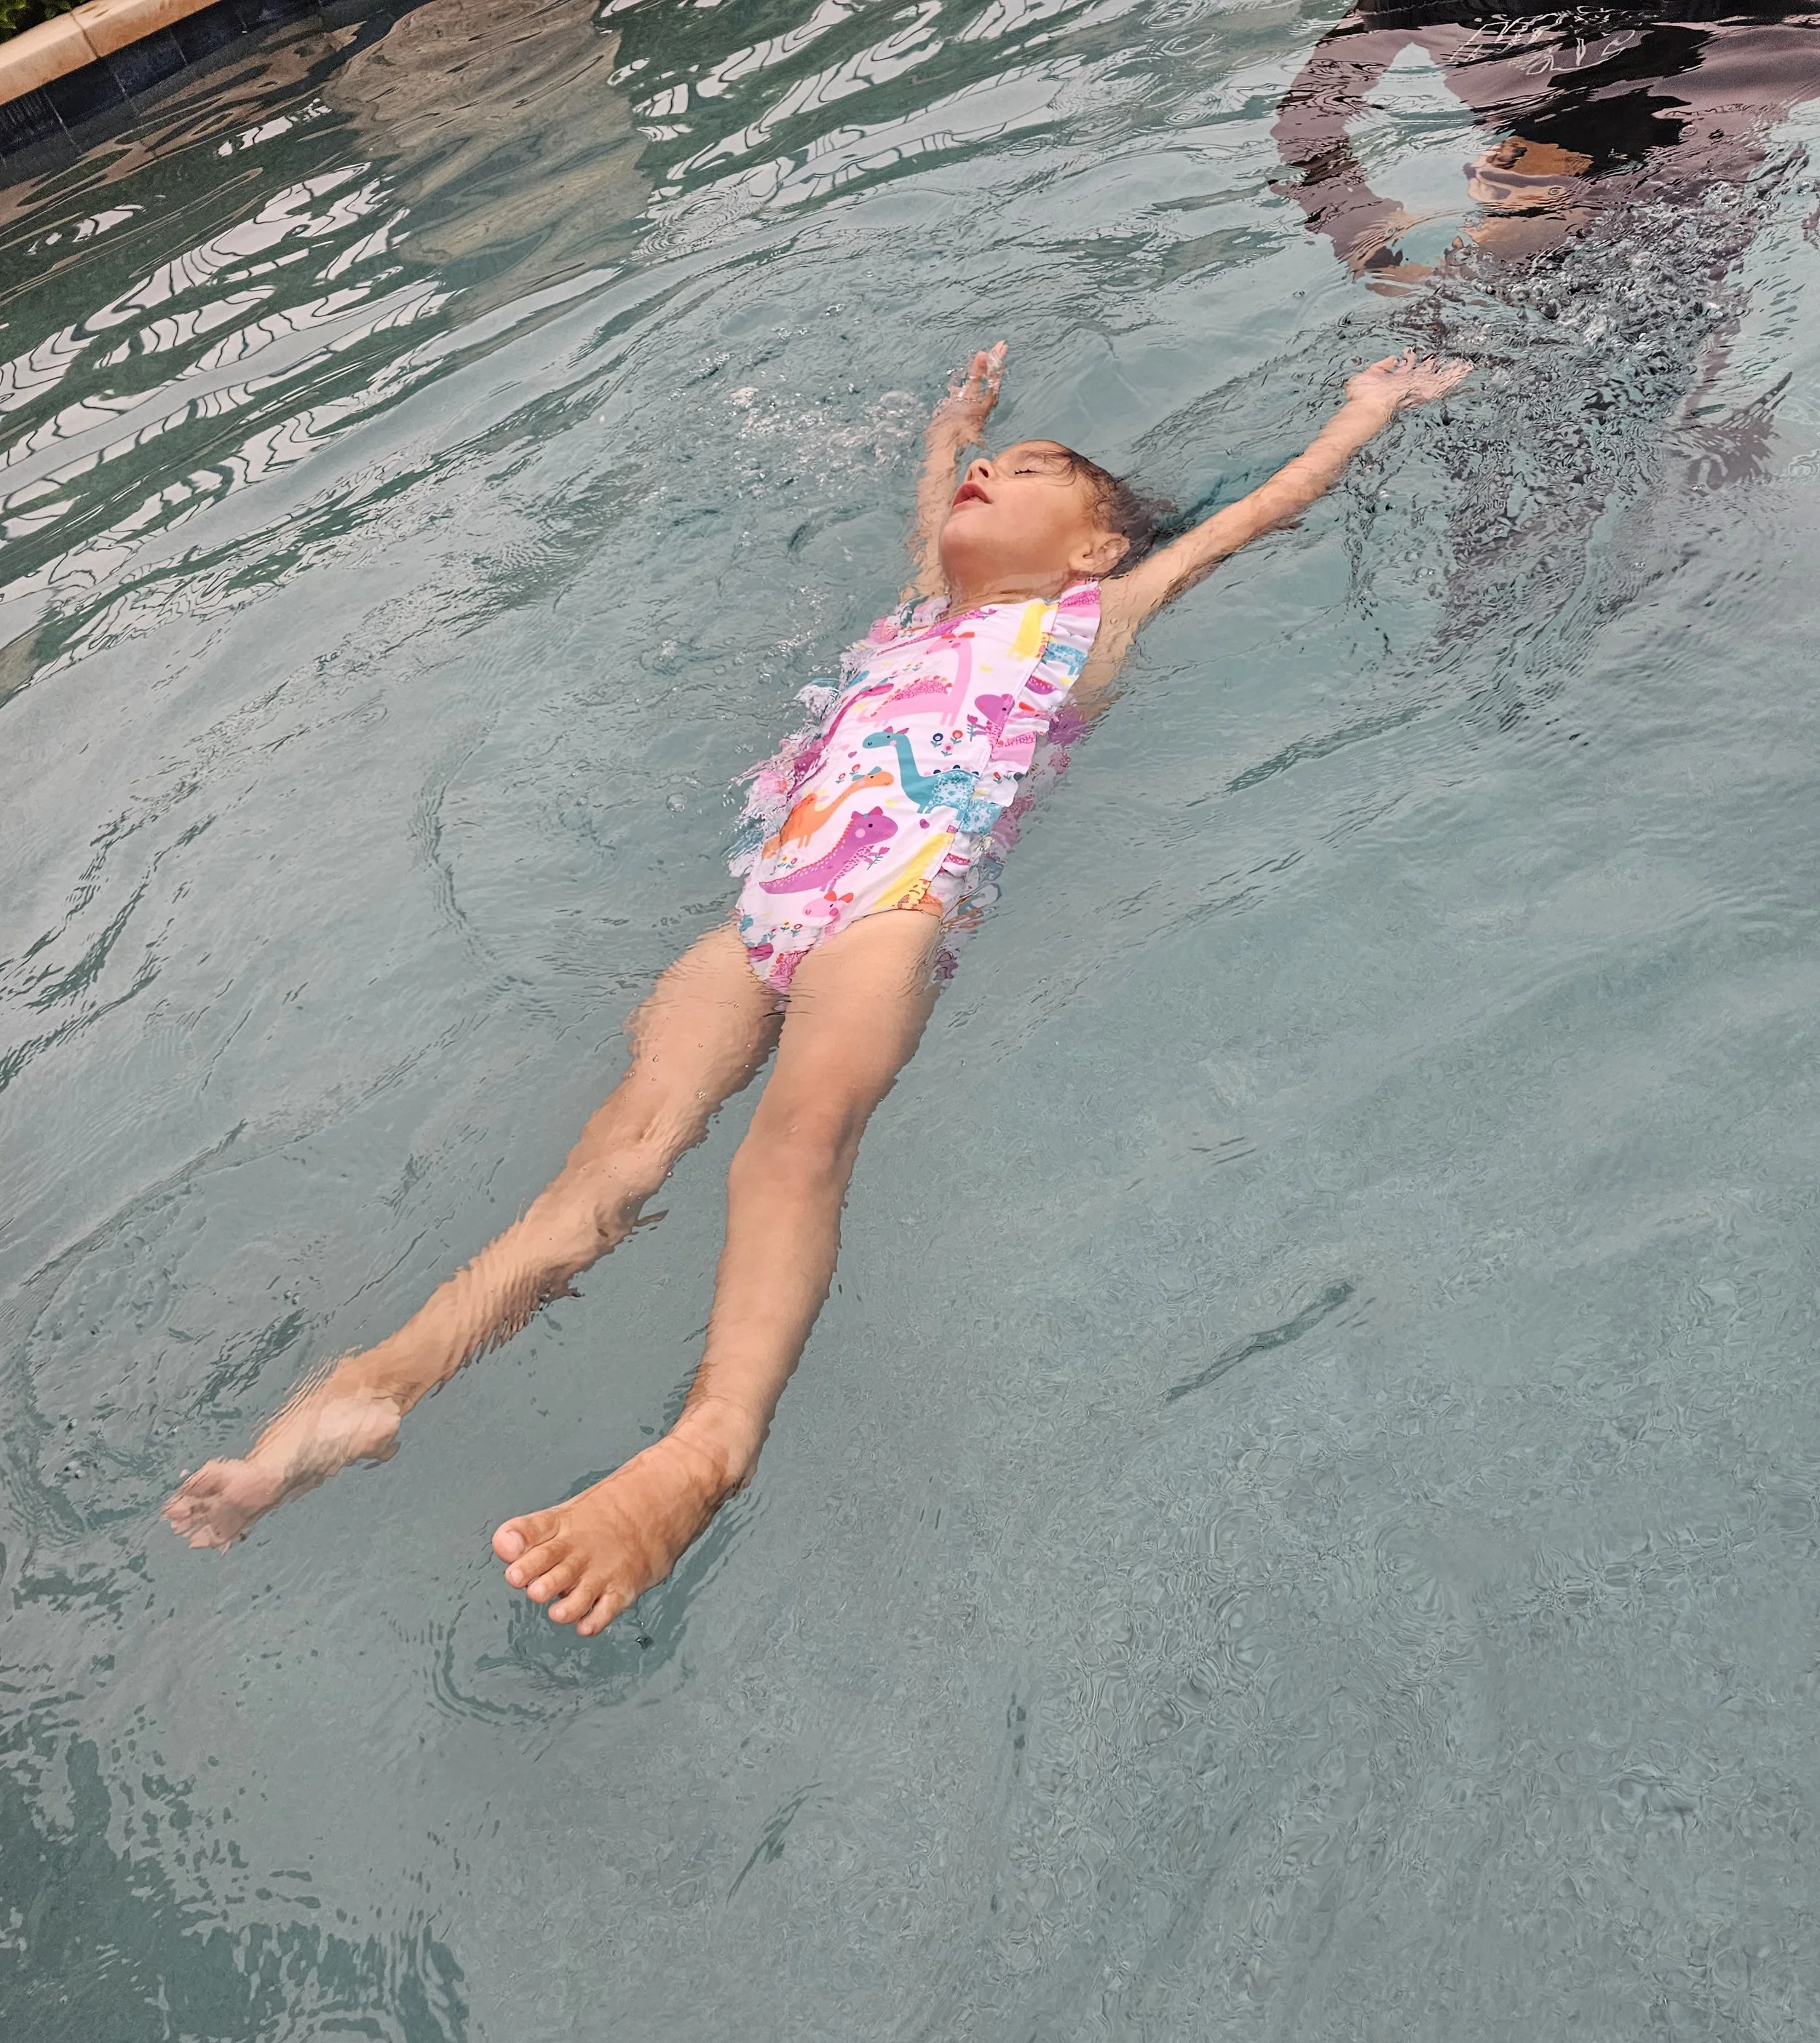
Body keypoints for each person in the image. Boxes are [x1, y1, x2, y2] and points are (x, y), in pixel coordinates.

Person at [165, 339, 1469, 1631]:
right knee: (612, 1159)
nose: (989, 478)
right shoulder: (919, 608)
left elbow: (1260, 508)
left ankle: (704, 1450)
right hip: (759, 919)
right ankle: (372, 1388)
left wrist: (1364, 410)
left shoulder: (1092, 616)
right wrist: (950, 426)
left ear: (1089, 547)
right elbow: (933, 499)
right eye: (989, 468)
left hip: (891, 915)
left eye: (1028, 472)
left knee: (794, 1146)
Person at [1273, 2, 1820, 289]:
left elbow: (1305, 123)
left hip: (1554, 202)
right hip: (1681, 194)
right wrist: (1371, 250)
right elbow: (1306, 121)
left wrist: (1368, 242)